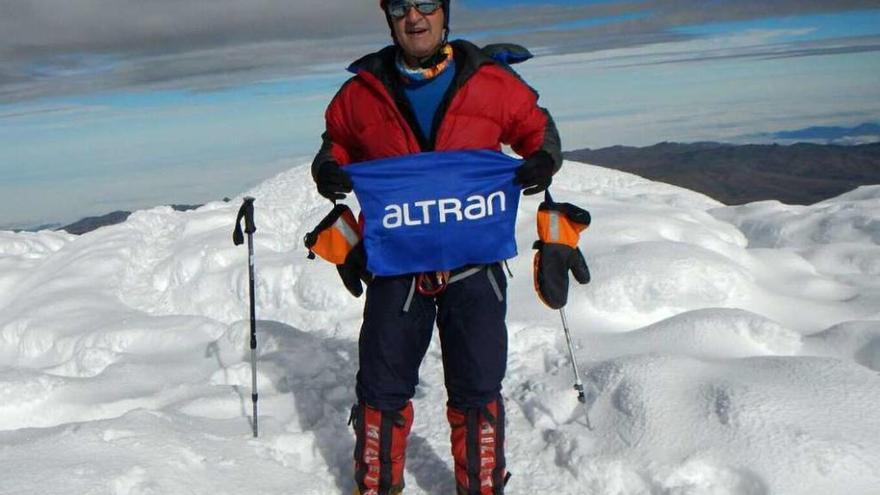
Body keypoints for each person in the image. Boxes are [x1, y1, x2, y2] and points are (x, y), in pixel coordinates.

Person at [311, 1, 562, 493]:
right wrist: (327, 168)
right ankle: (378, 486)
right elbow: (335, 142)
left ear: (445, 12)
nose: (415, 17)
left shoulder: (489, 80)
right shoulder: (360, 93)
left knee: (477, 388)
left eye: (426, 3)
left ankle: (481, 487)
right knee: (381, 390)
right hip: (397, 264)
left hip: (474, 265)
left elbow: (538, 129)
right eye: (401, 6)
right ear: (389, 17)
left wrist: (544, 159)